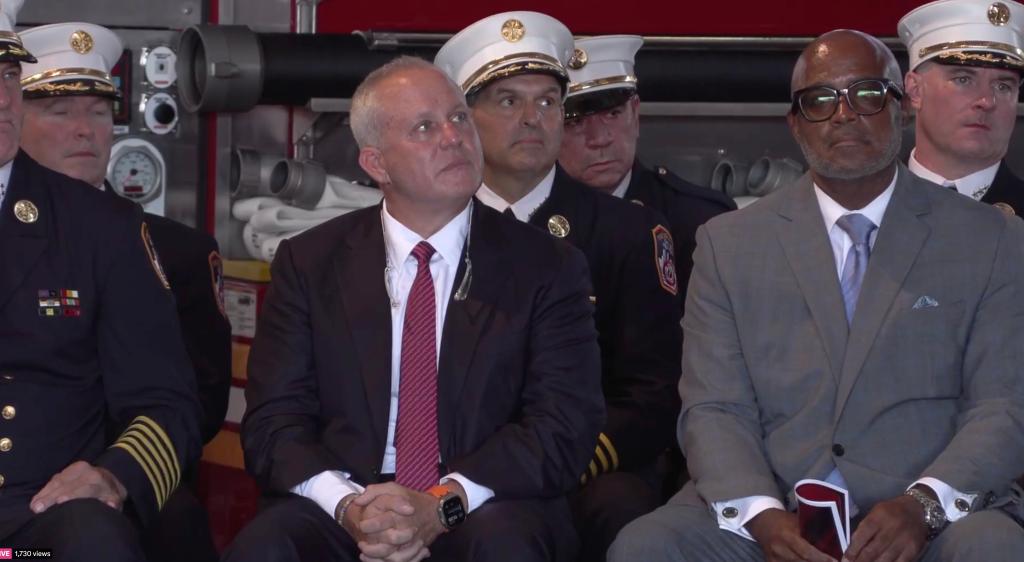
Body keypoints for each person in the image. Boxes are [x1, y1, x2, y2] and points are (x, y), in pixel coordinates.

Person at [610, 29, 1024, 562]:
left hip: (931, 510)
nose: (844, 115)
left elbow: (1003, 406)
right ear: (794, 124)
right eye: (820, 100)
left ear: (900, 109)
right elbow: (715, 407)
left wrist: (923, 506)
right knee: (646, 547)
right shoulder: (730, 243)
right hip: (775, 503)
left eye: (867, 95)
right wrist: (761, 515)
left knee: (994, 548)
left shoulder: (990, 238)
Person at [221, 56, 604, 562]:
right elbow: (275, 421)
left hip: (483, 501)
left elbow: (561, 426)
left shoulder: (546, 267)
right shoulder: (311, 262)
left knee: (506, 547)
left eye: (459, 118)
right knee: (266, 548)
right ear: (376, 163)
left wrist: (440, 504)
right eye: (425, 127)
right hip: (349, 501)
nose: (453, 137)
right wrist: (350, 508)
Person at [435, 15, 683, 559]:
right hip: (453, 466)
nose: (533, 119)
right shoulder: (433, 230)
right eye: (508, 102)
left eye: (549, 103)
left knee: (624, 518)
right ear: (464, 119)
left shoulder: (627, 233)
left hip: (588, 466)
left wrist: (561, 455)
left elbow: (652, 392)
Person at [16, 22, 231, 562]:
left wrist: (113, 471)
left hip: (101, 481)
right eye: (61, 113)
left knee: (165, 521)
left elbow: (193, 404)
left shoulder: (170, 248)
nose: (84, 130)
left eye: (97, 112)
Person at [559, 34, 736, 306]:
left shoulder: (700, 220)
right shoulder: (525, 220)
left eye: (613, 114)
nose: (599, 138)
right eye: (575, 121)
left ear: (636, 114)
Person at [900, 0, 1024, 216]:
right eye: (963, 80)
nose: (986, 101)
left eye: (1003, 85)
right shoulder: (861, 207)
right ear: (915, 90)